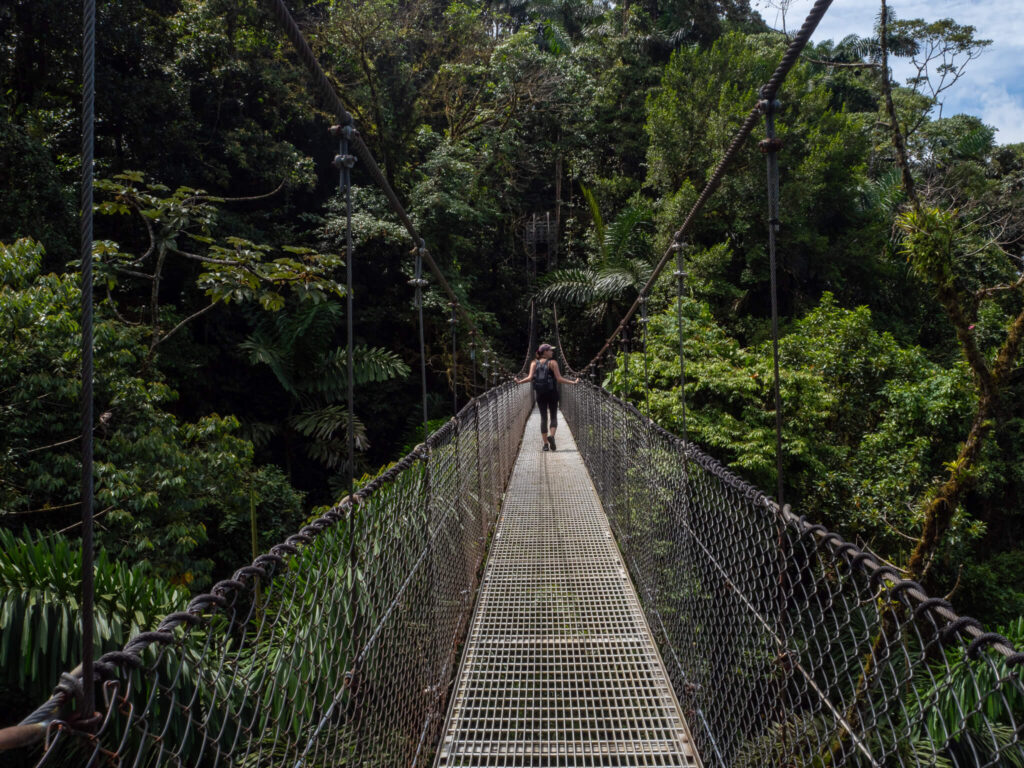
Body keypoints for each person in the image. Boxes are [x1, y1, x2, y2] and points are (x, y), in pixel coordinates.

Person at [515, 343, 579, 451]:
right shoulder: (553, 363)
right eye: (550, 350)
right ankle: (552, 436)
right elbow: (559, 379)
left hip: (540, 393)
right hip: (552, 392)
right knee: (553, 415)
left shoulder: (534, 363)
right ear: (545, 352)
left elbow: (530, 378)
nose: (552, 352)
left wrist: (519, 381)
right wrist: (573, 382)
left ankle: (545, 445)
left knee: (543, 418)